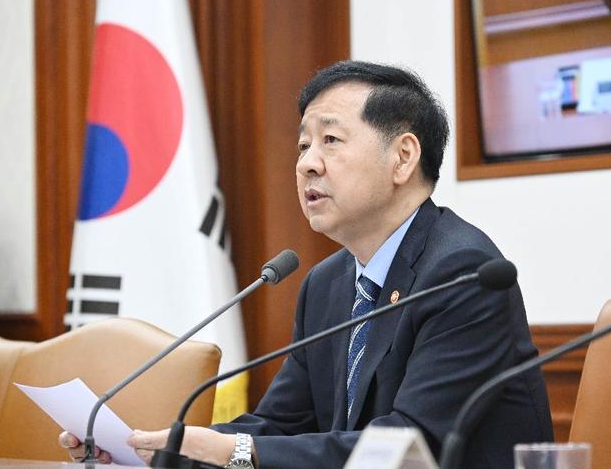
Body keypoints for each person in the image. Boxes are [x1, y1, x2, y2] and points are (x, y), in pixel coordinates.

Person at [59, 61, 553, 468]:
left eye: (330, 140)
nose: (306, 164)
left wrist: (235, 451)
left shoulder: (463, 273)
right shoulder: (328, 284)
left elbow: (407, 446)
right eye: (303, 146)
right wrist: (155, 451)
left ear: (403, 157)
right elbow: (280, 425)